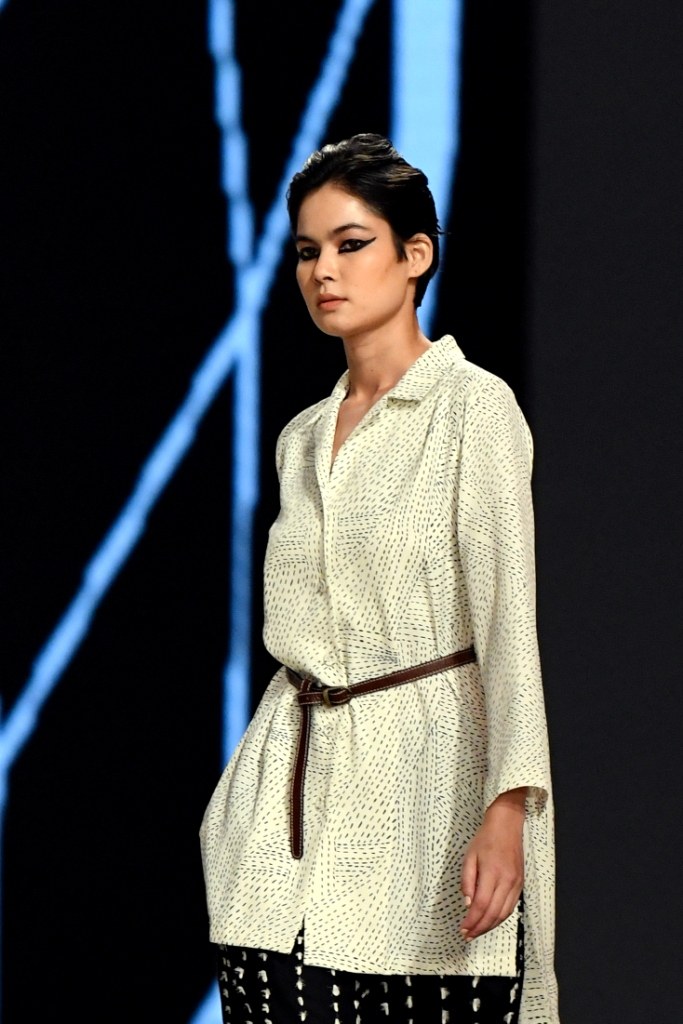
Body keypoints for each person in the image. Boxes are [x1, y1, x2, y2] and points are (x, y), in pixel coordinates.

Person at [200, 133, 559, 1024]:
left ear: (415, 255)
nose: (323, 270)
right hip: (281, 805)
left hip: (427, 791)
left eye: (351, 243)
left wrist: (509, 808)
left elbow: (508, 625)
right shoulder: (299, 438)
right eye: (306, 251)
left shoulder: (473, 409)